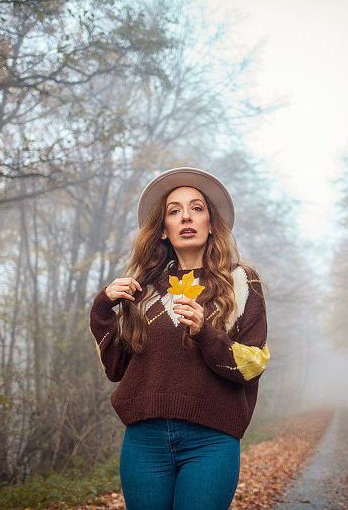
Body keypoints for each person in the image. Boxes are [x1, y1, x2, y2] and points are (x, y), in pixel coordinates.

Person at [89, 167, 270, 510]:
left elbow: (252, 365)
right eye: (174, 211)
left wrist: (205, 333)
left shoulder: (242, 282)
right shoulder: (142, 289)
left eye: (197, 208)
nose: (186, 216)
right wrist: (103, 307)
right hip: (144, 441)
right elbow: (117, 368)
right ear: (162, 230)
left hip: (212, 440)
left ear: (211, 223)